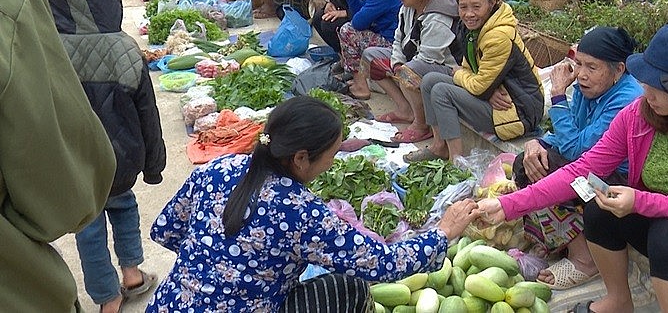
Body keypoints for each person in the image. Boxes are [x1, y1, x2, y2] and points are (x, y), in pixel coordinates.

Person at [478, 22, 668, 312]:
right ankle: (618, 301)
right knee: (600, 206)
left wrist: (641, 201)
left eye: (656, 84)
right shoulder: (640, 115)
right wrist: (507, 206)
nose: (645, 91)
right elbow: (582, 169)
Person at [149, 95, 478, 311]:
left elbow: (166, 231)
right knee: (349, 288)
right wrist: (443, 232)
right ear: (302, 158)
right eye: (332, 155)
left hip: (170, 304)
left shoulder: (218, 167)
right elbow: (382, 264)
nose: (332, 164)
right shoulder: (301, 212)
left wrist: (217, 270)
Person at [43, 0, 165, 313]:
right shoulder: (125, 48)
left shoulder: (50, 51)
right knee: (124, 205)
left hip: (76, 160)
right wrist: (154, 166)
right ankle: (131, 274)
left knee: (89, 226)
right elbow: (148, 115)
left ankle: (107, 299)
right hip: (121, 158)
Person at [0, 0, 116, 313]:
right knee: (111, 214)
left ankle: (106, 294)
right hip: (16, 291)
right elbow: (64, 198)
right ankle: (127, 276)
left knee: (92, 237)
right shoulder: (8, 0)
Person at [514, 27, 642, 290]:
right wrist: (536, 142)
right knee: (527, 163)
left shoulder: (627, 100)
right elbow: (568, 131)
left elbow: (577, 150)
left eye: (592, 67)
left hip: (618, 183)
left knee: (552, 172)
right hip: (589, 167)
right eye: (579, 64)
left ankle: (585, 259)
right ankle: (559, 242)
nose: (581, 74)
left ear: (618, 70)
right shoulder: (590, 89)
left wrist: (559, 95)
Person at [409, 0, 543, 162]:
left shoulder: (498, 36)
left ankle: (457, 163)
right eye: (463, 7)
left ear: (491, 3)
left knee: (441, 91)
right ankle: (439, 146)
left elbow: (477, 84)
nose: (469, 14)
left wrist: (484, 88)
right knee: (430, 80)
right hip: (497, 96)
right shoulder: (472, 28)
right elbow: (470, 70)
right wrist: (486, 89)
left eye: (476, 7)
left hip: (517, 111)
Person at [361, 0, 460, 141]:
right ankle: (405, 110)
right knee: (370, 57)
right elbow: (398, 38)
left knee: (409, 72)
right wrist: (397, 61)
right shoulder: (408, 8)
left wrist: (402, 68)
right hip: (413, 60)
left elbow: (428, 58)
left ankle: (421, 125)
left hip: (445, 68)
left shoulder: (439, 17)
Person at [336, 0, 402, 99]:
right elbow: (360, 13)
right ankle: (361, 79)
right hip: (389, 37)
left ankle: (361, 85)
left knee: (347, 30)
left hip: (393, 43)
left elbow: (357, 22)